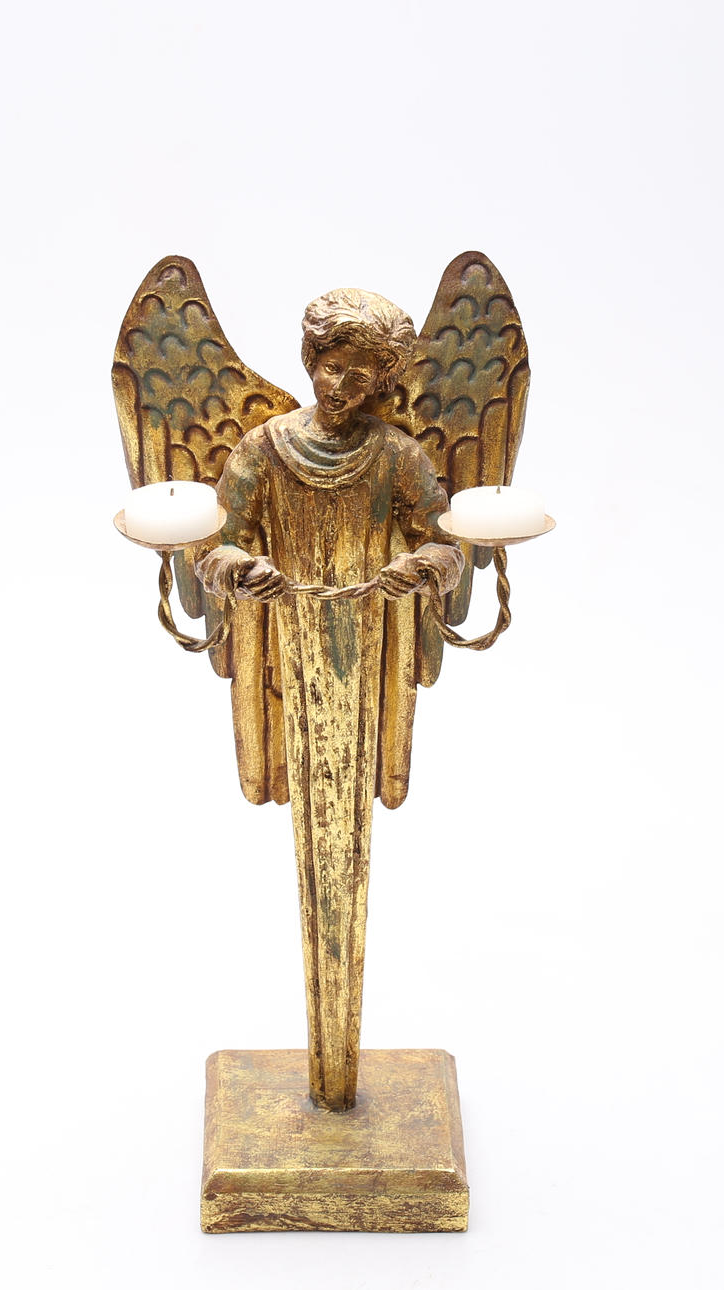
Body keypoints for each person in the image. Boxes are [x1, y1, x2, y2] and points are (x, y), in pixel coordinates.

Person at [197, 288, 462, 1110]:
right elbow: (215, 540)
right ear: (309, 359)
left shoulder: (397, 455)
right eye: (328, 365)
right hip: (289, 653)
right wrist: (236, 568)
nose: (338, 384)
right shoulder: (265, 447)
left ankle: (338, 1073)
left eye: (358, 373)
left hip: (368, 650)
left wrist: (427, 566)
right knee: (313, 820)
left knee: (348, 822)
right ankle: (328, 1070)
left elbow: (447, 541)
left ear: (384, 381)